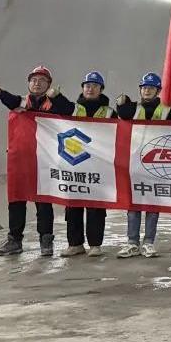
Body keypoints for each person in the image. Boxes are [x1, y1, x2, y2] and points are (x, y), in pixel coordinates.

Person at [0, 65, 73, 256]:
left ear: (49, 85)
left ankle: (46, 240)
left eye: (42, 81)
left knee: (43, 201)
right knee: (16, 198)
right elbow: (11, 100)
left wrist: (56, 96)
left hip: (44, 160)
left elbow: (69, 110)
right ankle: (14, 240)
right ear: (28, 83)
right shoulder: (22, 101)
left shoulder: (53, 104)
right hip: (21, 159)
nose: (37, 84)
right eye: (34, 80)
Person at [114, 72, 171, 258]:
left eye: (151, 88)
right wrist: (121, 104)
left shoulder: (166, 110)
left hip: (156, 163)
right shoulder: (133, 107)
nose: (147, 91)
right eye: (144, 88)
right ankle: (132, 242)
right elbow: (123, 116)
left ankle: (148, 242)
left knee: (152, 204)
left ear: (158, 91)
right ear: (140, 90)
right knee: (133, 204)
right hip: (133, 163)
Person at [59, 71, 113, 258]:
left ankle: (95, 244)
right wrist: (55, 96)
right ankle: (75, 244)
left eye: (95, 86)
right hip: (74, 163)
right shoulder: (73, 109)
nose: (90, 89)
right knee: (73, 205)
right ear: (82, 88)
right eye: (87, 85)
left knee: (96, 206)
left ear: (101, 89)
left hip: (98, 165)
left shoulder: (109, 112)